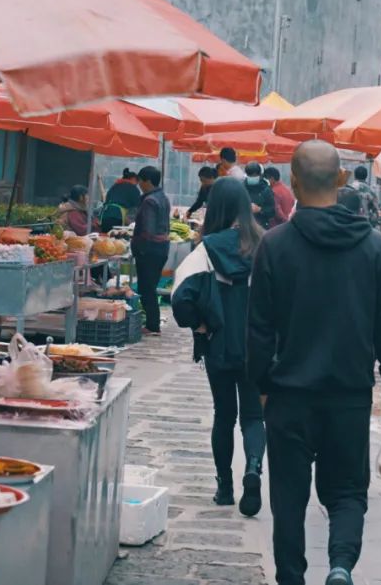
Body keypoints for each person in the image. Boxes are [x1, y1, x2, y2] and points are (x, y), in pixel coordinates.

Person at [248, 140, 381, 585]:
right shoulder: (376, 249)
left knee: (288, 496)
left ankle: (291, 578)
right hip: (349, 396)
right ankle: (340, 566)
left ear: (294, 182)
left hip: (289, 395)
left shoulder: (275, 246)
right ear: (341, 180)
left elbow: (258, 329)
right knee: (347, 493)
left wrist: (261, 384)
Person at [172, 178, 266, 517]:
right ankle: (253, 468)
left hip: (219, 345)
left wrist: (200, 324)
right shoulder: (264, 244)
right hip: (258, 346)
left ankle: (224, 488)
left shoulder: (207, 250)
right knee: (254, 416)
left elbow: (179, 297)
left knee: (224, 415)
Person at [133, 166, 171, 335]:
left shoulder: (149, 201)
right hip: (162, 249)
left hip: (149, 250)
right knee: (151, 286)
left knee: (146, 287)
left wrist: (139, 246)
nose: (139, 185)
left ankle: (152, 325)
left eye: (140, 181)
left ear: (147, 181)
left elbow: (148, 229)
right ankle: (152, 323)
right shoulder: (163, 197)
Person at [244, 162, 277, 230]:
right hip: (245, 227)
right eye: (249, 175)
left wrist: (260, 210)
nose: (252, 177)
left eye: (254, 175)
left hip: (262, 226)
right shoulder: (242, 188)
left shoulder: (266, 189)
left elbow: (272, 211)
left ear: (259, 175)